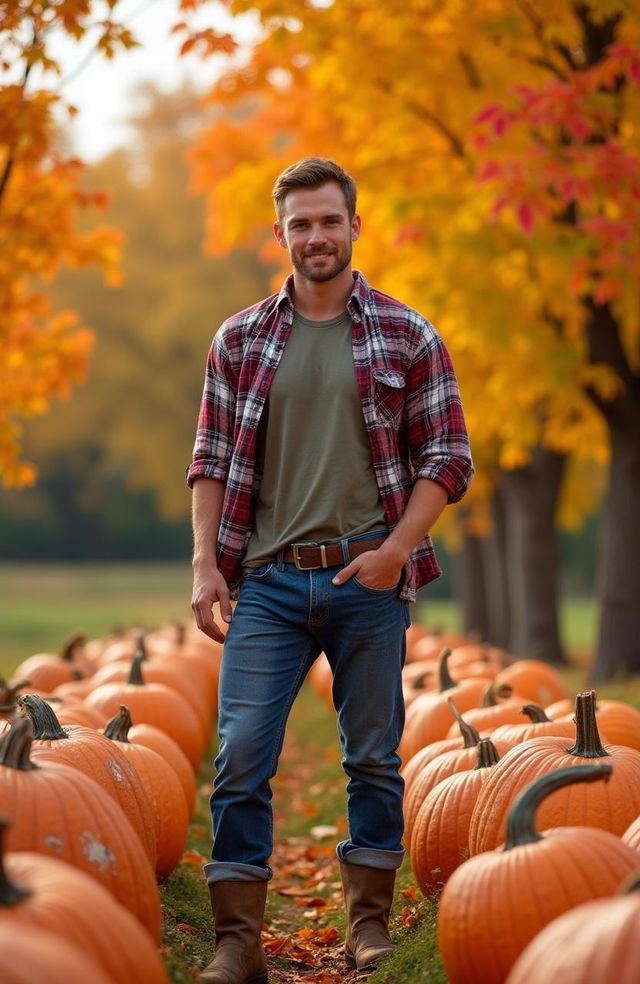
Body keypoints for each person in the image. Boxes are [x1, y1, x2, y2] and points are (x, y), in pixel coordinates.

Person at [188, 157, 473, 984]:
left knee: (376, 757)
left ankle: (367, 926)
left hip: (367, 582)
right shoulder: (238, 339)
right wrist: (206, 563)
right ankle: (238, 940)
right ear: (278, 235)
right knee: (241, 751)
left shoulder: (408, 334)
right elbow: (209, 458)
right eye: (300, 223)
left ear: (355, 226)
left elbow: (448, 457)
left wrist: (393, 554)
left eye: (330, 220)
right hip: (269, 583)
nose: (317, 236)